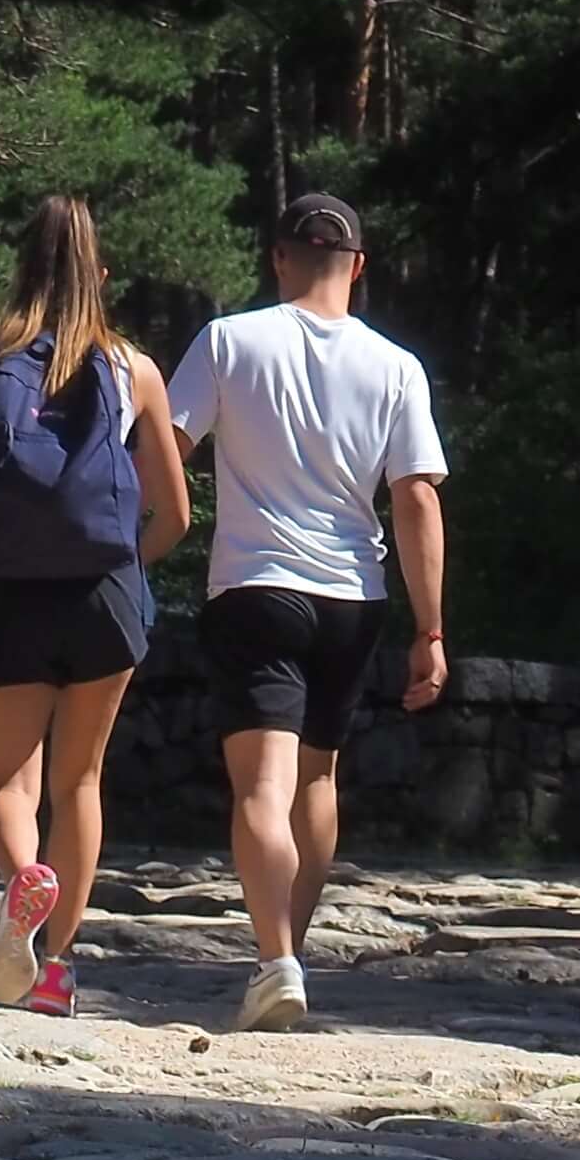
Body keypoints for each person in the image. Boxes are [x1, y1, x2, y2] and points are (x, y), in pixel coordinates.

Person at [167, 190, 450, 1033]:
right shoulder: (397, 366)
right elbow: (417, 501)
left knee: (261, 783)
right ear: (358, 268)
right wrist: (430, 630)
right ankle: (290, 947)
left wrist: (151, 534)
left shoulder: (229, 341)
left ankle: (274, 959)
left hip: (255, 584)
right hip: (351, 598)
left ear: (279, 258)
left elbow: (163, 450)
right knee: (318, 779)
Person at [0, 195, 191, 1020]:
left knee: (7, 786)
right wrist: (125, 571)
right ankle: (56, 967)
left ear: (22, 268)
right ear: (98, 275)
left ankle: (24, 880)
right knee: (81, 780)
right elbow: (173, 514)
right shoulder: (133, 368)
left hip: (6, 593)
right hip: (104, 594)